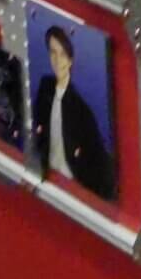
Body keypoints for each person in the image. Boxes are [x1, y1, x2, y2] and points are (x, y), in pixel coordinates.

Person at [31, 25, 113, 198]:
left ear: (70, 60)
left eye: (62, 54)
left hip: (73, 186)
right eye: (53, 53)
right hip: (46, 177)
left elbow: (100, 164)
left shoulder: (81, 110)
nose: (57, 60)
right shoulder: (45, 88)